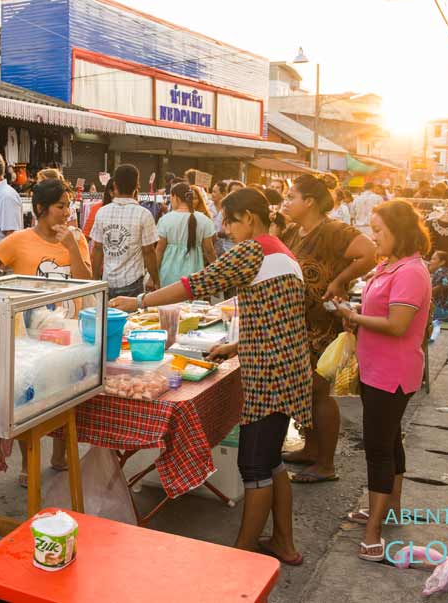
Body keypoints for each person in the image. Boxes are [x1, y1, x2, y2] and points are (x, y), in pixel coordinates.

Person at [111, 188, 312, 565]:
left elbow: (195, 284)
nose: (227, 230)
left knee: (254, 465)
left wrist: (138, 301)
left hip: (269, 373)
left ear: (249, 217)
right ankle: (284, 543)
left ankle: (242, 555)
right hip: (288, 368)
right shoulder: (282, 251)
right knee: (271, 461)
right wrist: (236, 347)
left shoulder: (254, 251)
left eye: (230, 221)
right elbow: (277, 316)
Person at [334, 199, 431, 562]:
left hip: (393, 372)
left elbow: (398, 325)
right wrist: (357, 312)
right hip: (377, 367)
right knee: (390, 441)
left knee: (377, 448)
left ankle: (374, 532)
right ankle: (390, 509)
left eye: (379, 232)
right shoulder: (390, 265)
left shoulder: (410, 272)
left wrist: (353, 317)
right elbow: (381, 311)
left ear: (399, 233)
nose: (373, 239)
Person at [0, 178, 91, 485]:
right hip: (30, 334)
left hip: (69, 330)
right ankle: (28, 465)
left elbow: (87, 280)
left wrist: (72, 248)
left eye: (68, 205)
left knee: (67, 391)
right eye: (60, 206)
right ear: (41, 208)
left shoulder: (75, 238)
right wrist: (6, 294)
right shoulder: (19, 240)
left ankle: (59, 455)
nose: (67, 212)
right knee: (33, 397)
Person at [279, 174, 377, 484]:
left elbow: (369, 252)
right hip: (298, 322)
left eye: (291, 197)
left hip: (322, 322)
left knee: (318, 391)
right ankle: (309, 448)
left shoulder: (334, 230)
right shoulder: (295, 231)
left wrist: (338, 281)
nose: (286, 203)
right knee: (303, 390)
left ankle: (326, 463)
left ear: (309, 201)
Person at [90, 164, 160, 297]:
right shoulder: (144, 214)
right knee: (131, 318)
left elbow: (97, 248)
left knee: (105, 318)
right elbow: (149, 251)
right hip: (132, 283)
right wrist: (156, 280)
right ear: (136, 186)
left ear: (115, 185)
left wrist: (94, 279)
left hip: (107, 282)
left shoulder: (102, 212)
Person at [156, 182, 216, 287]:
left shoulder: (165, 220)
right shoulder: (204, 220)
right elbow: (209, 251)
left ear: (175, 197)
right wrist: (216, 275)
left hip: (168, 274)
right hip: (194, 275)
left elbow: (159, 250)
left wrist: (153, 277)